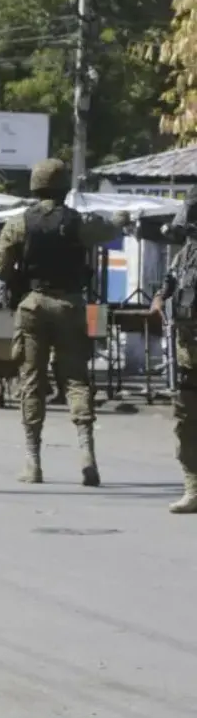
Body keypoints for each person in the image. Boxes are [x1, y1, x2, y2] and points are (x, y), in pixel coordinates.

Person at [0, 158, 115, 485]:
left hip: (32, 307)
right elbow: (108, 230)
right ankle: (87, 456)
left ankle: (33, 463)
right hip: (71, 305)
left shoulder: (19, 224)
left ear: (35, 185)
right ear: (63, 187)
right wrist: (119, 217)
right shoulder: (77, 223)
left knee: (32, 379)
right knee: (76, 379)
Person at [150, 186, 197, 513]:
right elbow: (170, 282)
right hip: (188, 351)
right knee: (186, 420)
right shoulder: (187, 253)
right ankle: (193, 489)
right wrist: (159, 298)